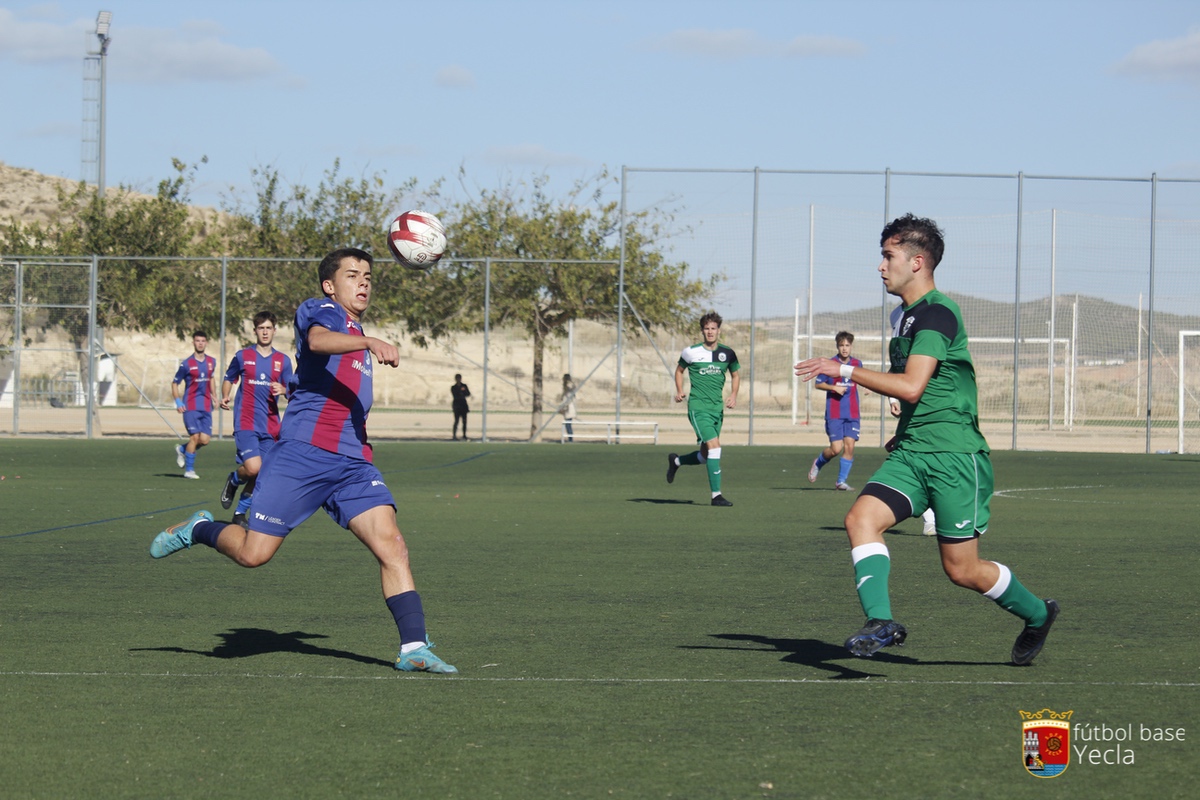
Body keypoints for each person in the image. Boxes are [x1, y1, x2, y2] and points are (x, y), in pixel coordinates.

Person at [150, 247, 457, 674]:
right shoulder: (321, 312)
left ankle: (413, 648)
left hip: (353, 464)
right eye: (353, 274)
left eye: (368, 274)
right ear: (330, 285)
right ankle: (200, 528)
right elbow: (316, 342)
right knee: (254, 554)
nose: (364, 281)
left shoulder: (355, 328)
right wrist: (369, 341)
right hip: (303, 457)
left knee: (393, 546)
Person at [794, 213, 1058, 666]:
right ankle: (880, 622)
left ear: (917, 261)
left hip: (956, 457)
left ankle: (1037, 614)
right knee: (860, 519)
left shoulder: (936, 312)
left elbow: (913, 385)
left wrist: (845, 370)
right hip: (915, 452)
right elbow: (913, 389)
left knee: (962, 570)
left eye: (888, 255)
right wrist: (902, 419)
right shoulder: (905, 317)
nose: (881, 266)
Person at [219, 312, 295, 528]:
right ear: (255, 331)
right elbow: (229, 378)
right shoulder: (243, 356)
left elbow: (294, 391)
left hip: (271, 427)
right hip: (246, 423)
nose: (265, 332)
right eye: (261, 328)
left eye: (268, 328)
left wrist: (284, 389)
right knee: (253, 468)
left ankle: (239, 514)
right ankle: (234, 480)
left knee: (263, 473)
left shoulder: (283, 361)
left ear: (274, 330)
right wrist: (225, 394)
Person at [666, 311, 740, 506]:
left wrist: (733, 395)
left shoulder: (728, 353)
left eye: (713, 328)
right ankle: (716, 496)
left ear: (718, 330)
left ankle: (676, 462)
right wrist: (680, 390)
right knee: (715, 447)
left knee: (705, 456)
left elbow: (736, 375)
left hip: (717, 409)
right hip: (698, 408)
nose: (710, 332)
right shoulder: (691, 352)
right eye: (706, 328)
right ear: (702, 331)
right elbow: (679, 371)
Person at [808, 331, 863, 491]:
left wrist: (867, 386)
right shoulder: (829, 364)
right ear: (837, 346)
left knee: (850, 447)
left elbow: (864, 379)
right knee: (836, 449)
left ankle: (841, 482)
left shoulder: (857, 364)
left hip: (852, 413)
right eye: (841, 345)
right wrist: (833, 387)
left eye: (847, 345)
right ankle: (818, 463)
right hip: (835, 413)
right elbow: (818, 384)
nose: (844, 349)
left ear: (851, 346)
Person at [171, 331, 216, 479]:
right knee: (195, 437)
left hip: (206, 405)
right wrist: (178, 401)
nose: (200, 343)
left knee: (205, 440)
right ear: (193, 343)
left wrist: (214, 395)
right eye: (198, 341)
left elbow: (211, 378)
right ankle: (189, 470)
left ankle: (182, 449)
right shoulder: (186, 364)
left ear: (206, 343)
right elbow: (175, 383)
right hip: (190, 405)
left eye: (203, 340)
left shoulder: (211, 362)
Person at [558, 373, 578, 442]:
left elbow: (568, 400)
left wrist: (563, 406)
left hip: (569, 409)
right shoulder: (567, 388)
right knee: (567, 424)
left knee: (568, 424)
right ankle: (570, 438)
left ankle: (570, 439)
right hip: (567, 409)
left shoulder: (569, 387)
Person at [451, 373, 471, 440]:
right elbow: (455, 395)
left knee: (464, 421)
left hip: (463, 405)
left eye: (459, 378)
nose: (458, 380)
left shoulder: (464, 386)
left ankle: (464, 435)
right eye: (457, 378)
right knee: (456, 421)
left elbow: (468, 393)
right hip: (457, 406)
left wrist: (463, 393)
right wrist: (461, 393)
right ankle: (454, 435)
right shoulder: (453, 387)